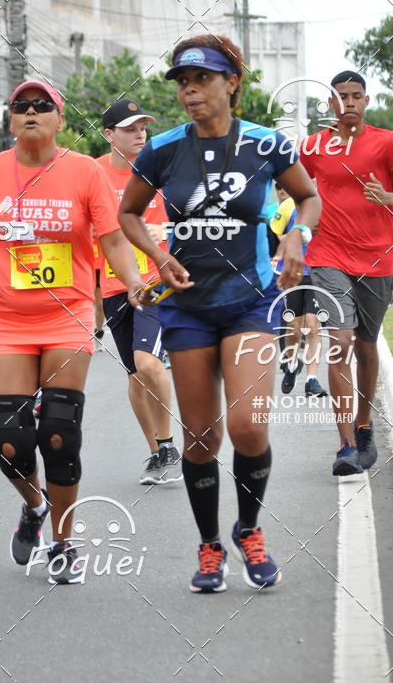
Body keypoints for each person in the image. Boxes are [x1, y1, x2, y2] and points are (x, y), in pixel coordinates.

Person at [119, 35, 320, 592]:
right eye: (182, 82)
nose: (189, 91)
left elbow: (308, 197)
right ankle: (209, 547)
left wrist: (297, 239)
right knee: (202, 439)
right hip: (187, 309)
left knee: (249, 425)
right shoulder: (161, 149)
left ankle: (248, 529)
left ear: (232, 83)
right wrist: (159, 258)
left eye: (201, 79)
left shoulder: (266, 145)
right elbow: (128, 213)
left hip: (251, 303)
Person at [0, 79, 146, 585]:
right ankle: (34, 508)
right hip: (11, 321)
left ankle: (63, 542)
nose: (31, 112)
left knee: (59, 434)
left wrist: (133, 281)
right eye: (22, 106)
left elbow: (112, 239)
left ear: (60, 119)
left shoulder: (84, 172)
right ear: (11, 119)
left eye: (43, 106)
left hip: (69, 315)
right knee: (11, 442)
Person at [299, 70, 393, 475]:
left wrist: (389, 196)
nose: (349, 102)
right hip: (328, 255)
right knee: (339, 340)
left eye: (356, 96)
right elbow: (293, 186)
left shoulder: (386, 143)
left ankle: (364, 424)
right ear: (332, 104)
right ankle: (346, 445)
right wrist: (302, 223)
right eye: (342, 97)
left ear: (366, 101)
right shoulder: (314, 146)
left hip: (378, 258)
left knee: (366, 346)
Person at [98, 99, 181, 484]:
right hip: (112, 286)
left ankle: (167, 444)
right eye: (130, 128)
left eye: (143, 127)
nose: (140, 134)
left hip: (154, 283)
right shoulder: (92, 174)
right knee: (135, 375)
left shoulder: (159, 171)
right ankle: (156, 453)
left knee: (148, 363)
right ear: (108, 134)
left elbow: (185, 220)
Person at [270, 186, 326, 397]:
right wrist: (296, 236)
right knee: (294, 328)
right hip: (293, 270)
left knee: (313, 326)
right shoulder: (287, 205)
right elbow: (275, 234)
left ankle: (312, 380)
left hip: (319, 270)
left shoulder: (324, 204)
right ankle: (292, 365)